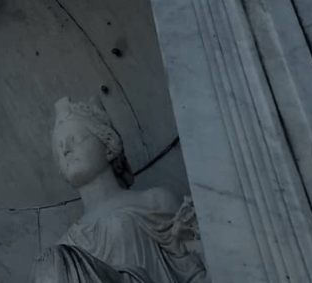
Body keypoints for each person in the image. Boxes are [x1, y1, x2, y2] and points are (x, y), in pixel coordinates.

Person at [31, 96, 207, 283]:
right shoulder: (67, 243)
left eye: (76, 139)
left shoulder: (154, 202)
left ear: (107, 146)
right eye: (59, 148)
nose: (66, 150)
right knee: (50, 262)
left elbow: (194, 268)